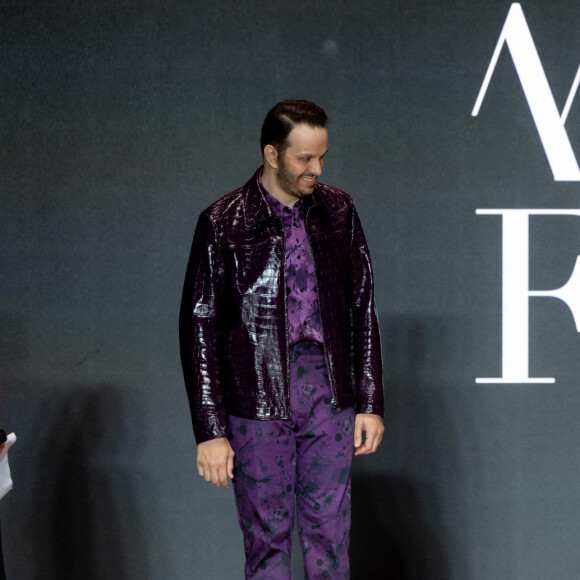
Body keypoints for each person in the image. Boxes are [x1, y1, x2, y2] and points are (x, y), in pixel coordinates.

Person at [179, 99, 384, 579]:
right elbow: (200, 325)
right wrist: (210, 429)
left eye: (322, 157)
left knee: (329, 536)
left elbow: (362, 305)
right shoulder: (223, 222)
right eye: (304, 159)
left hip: (328, 390)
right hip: (256, 395)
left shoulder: (338, 210)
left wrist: (370, 399)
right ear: (273, 155)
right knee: (266, 541)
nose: (316, 169)